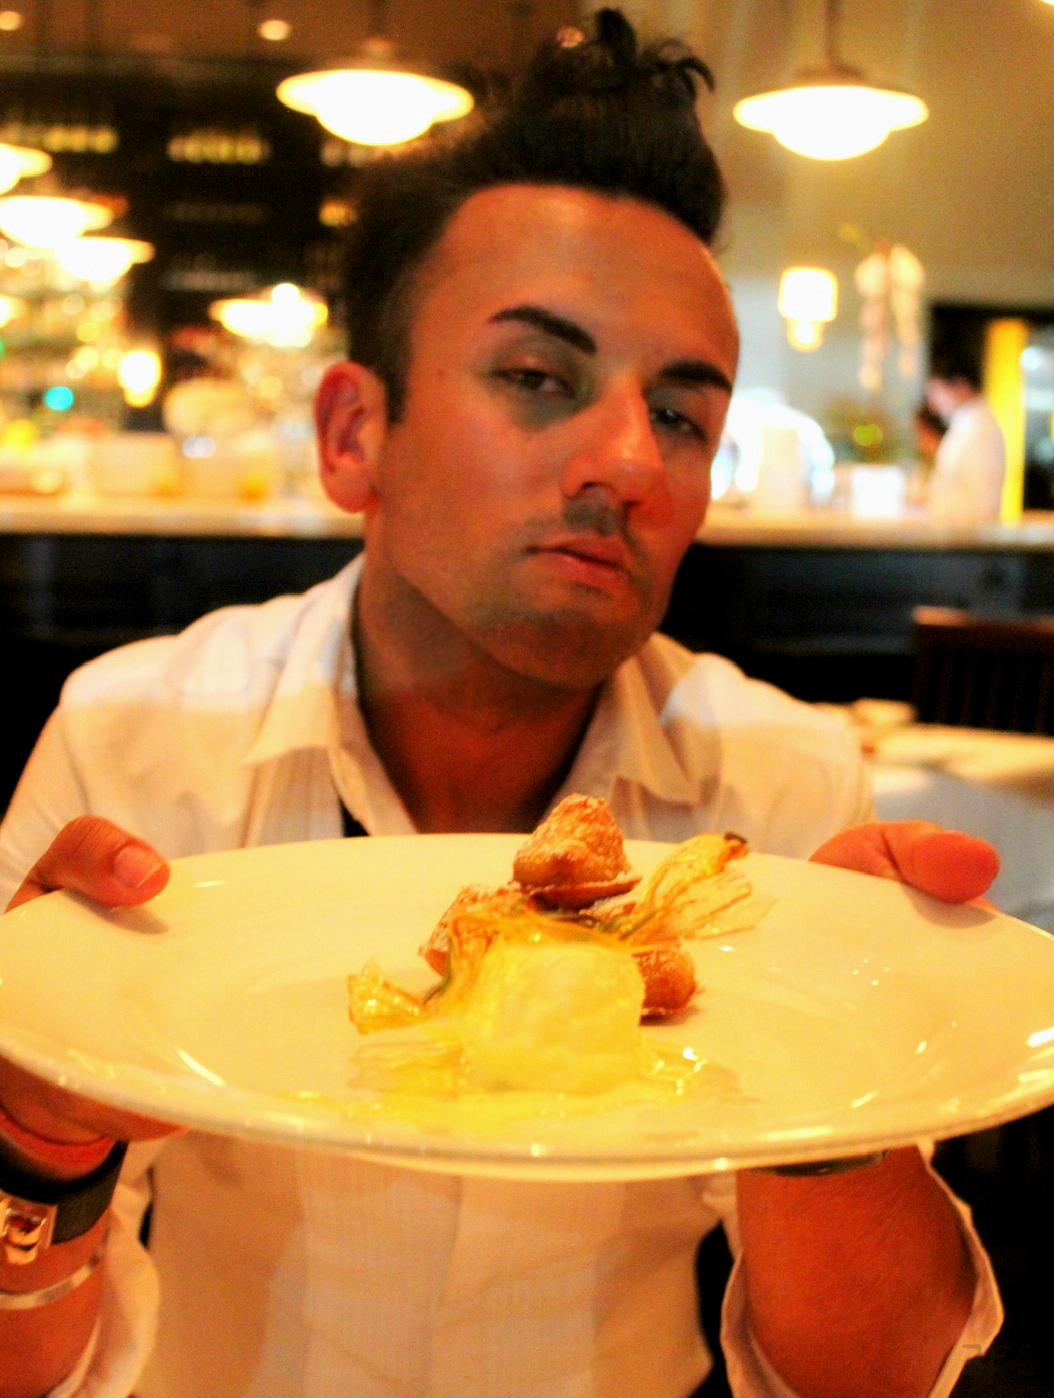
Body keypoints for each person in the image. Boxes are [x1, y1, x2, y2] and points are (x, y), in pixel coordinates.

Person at [0, 13, 1002, 1398]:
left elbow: (867, 1379)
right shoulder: (138, 741)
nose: (627, 460)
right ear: (354, 434)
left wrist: (840, 1101)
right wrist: (35, 1146)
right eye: (538, 378)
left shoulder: (771, 790)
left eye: (681, 415)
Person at [926, 346, 1006, 525]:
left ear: (961, 386)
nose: (933, 403)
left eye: (937, 390)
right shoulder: (967, 423)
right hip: (956, 532)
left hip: (966, 535)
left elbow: (983, 505)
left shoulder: (981, 429)